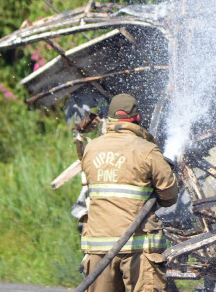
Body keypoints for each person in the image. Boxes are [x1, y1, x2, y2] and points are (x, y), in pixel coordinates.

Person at [80, 93, 178, 292]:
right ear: (137, 118)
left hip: (99, 245)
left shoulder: (91, 149)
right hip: (139, 247)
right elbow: (169, 197)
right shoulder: (147, 150)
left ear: (111, 118)